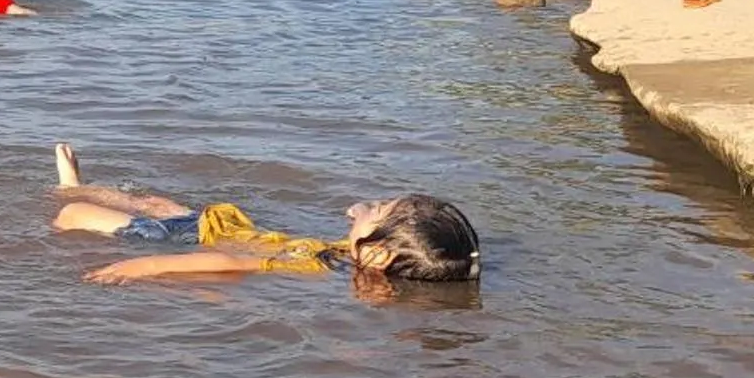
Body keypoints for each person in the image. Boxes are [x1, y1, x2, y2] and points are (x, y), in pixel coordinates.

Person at [48, 143, 479, 286]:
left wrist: (142, 266)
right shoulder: (346, 254)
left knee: (71, 214)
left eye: (381, 208)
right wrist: (365, 214)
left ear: (381, 255)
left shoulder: (316, 264)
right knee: (156, 201)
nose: (371, 205)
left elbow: (230, 262)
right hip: (221, 224)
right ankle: (77, 183)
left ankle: (72, 192)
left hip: (186, 241)